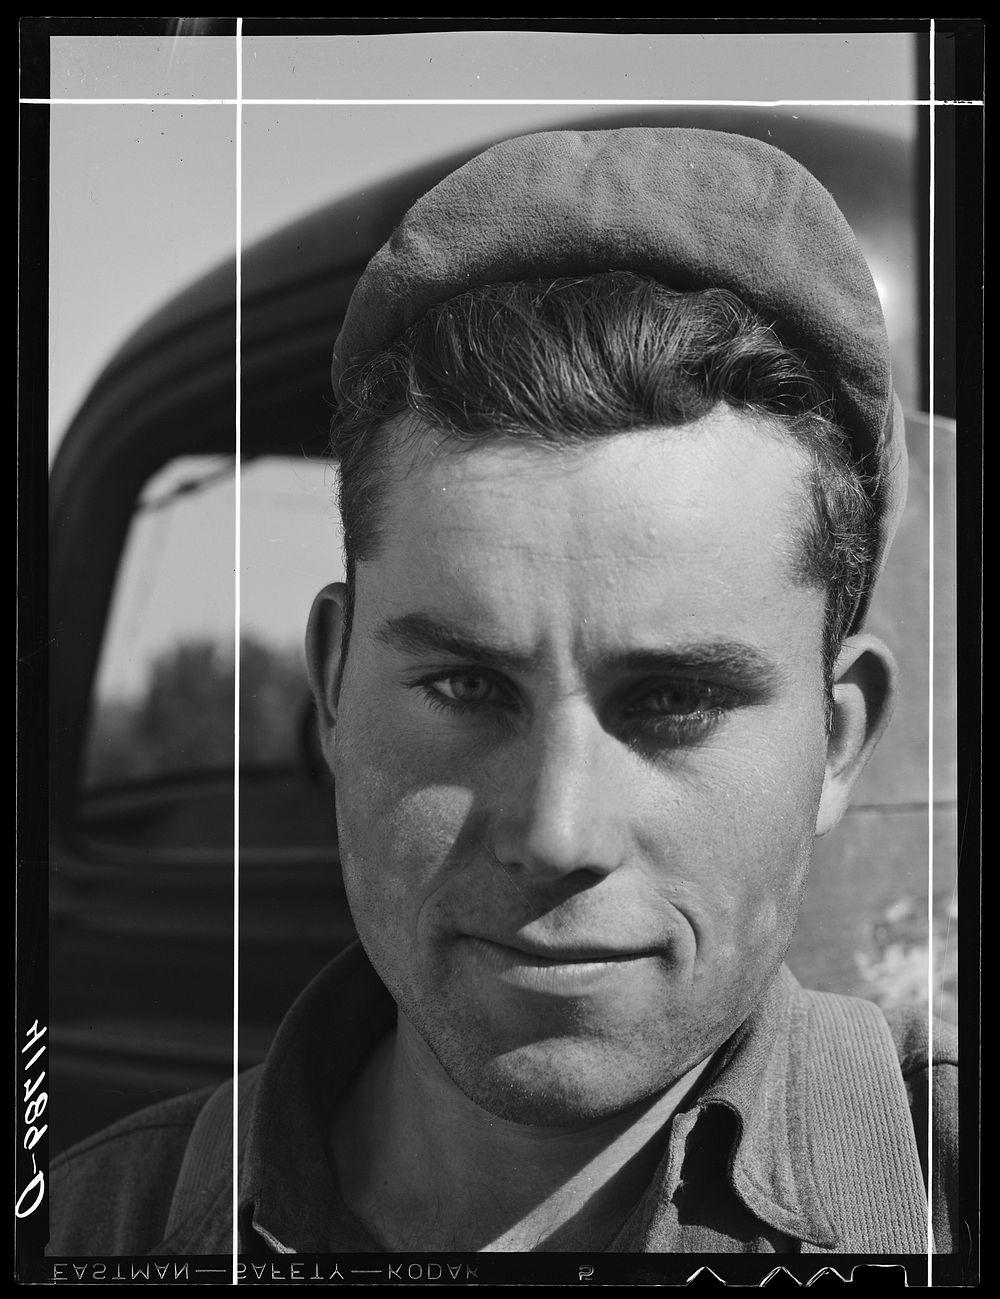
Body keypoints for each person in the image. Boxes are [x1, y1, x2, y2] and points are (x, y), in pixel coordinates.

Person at [48, 127, 957, 1258]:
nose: (554, 830)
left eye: (672, 701)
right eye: (466, 684)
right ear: (332, 684)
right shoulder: (91, 1227)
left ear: (837, 738)